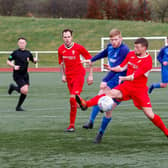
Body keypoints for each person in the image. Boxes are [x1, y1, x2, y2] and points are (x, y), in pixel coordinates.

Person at [76, 38, 168, 143]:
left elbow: (134, 76)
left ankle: (166, 132)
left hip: (139, 91)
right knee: (109, 94)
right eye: (134, 46)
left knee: (150, 115)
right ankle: (85, 104)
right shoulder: (131, 54)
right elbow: (121, 67)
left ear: (144, 48)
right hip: (127, 86)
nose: (135, 49)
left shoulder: (148, 61)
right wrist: (112, 68)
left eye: (137, 47)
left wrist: (123, 78)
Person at [82, 29, 129, 130]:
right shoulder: (110, 47)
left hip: (122, 80)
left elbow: (117, 69)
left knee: (108, 106)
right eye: (112, 40)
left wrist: (105, 80)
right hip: (112, 78)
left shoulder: (124, 50)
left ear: (121, 38)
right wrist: (91, 60)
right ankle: (91, 121)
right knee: (100, 97)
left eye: (116, 39)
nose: (113, 42)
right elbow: (103, 53)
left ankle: (100, 131)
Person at [58, 29, 93, 132]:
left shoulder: (79, 48)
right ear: (62, 38)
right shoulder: (60, 49)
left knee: (72, 99)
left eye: (68, 37)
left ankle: (71, 126)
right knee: (75, 101)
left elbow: (91, 60)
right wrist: (63, 75)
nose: (67, 39)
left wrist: (90, 75)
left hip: (79, 75)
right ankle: (83, 104)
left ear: (72, 37)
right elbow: (61, 63)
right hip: (69, 77)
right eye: (65, 37)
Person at [7, 37, 37, 111]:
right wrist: (14, 66)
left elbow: (33, 61)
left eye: (23, 43)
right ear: (18, 44)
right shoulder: (15, 53)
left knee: (25, 92)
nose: (22, 44)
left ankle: (18, 107)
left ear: (25, 44)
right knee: (25, 90)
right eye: (20, 43)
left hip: (25, 75)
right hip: (17, 75)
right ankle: (13, 87)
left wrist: (35, 60)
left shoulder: (28, 53)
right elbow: (8, 61)